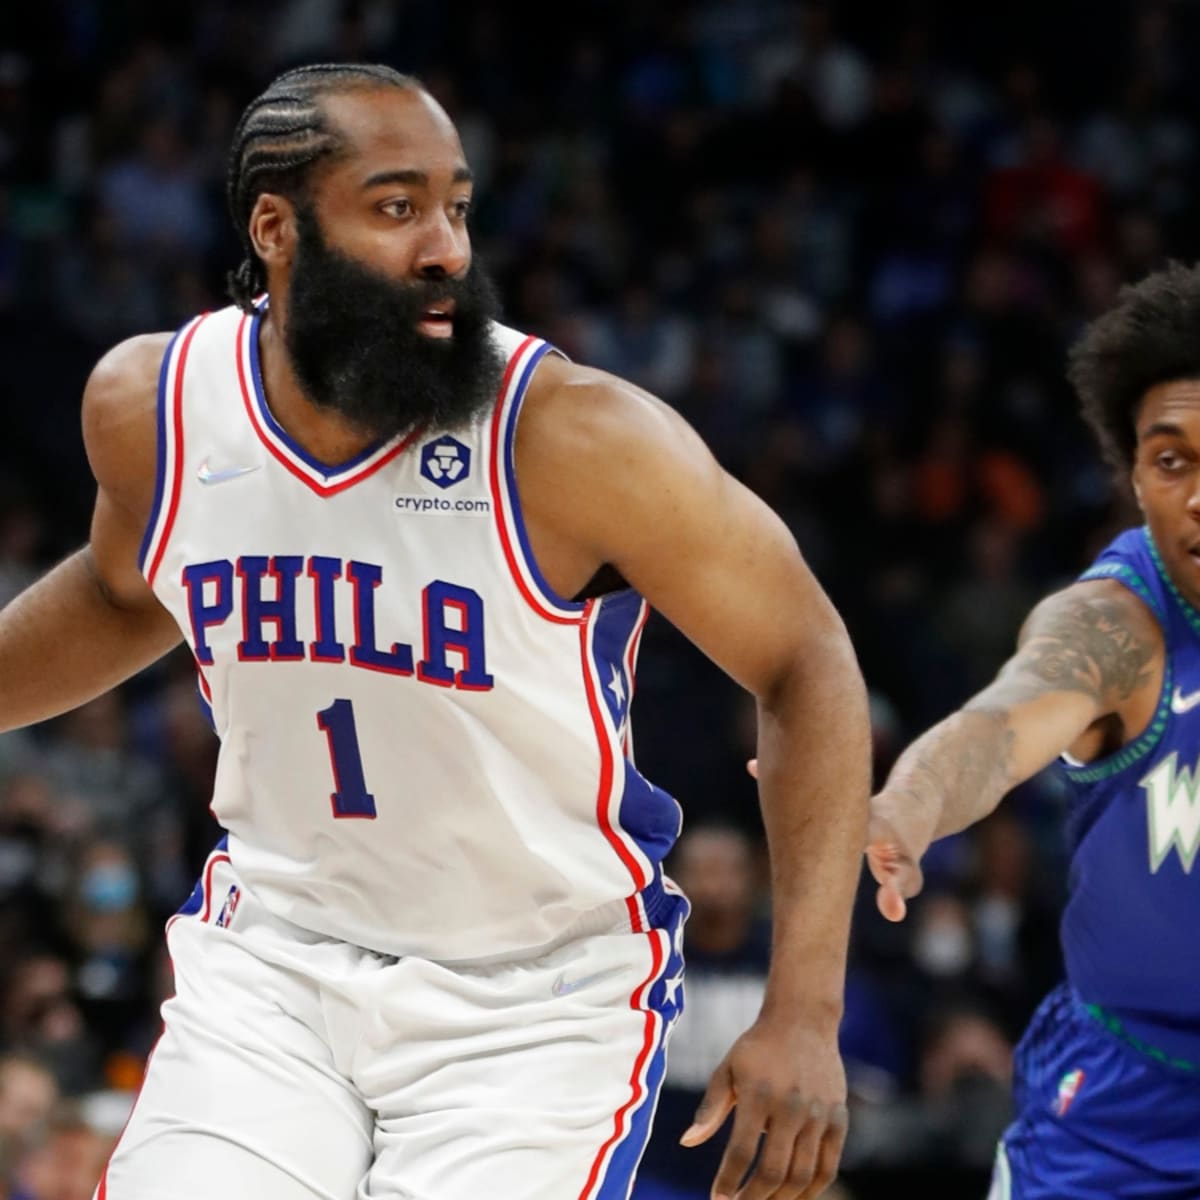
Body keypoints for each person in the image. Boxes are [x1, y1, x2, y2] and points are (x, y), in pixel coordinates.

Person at [0, 64, 871, 1199]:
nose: (446, 249)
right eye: (397, 206)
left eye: (457, 206)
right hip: (276, 959)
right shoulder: (156, 405)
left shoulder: (572, 437)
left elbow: (807, 657)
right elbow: (125, 596)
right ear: (276, 229)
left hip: (535, 996)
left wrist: (804, 1011)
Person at [866, 261, 1200, 1197]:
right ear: (1134, 480)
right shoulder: (1116, 624)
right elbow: (1002, 721)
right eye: (1171, 460)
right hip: (1121, 1114)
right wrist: (912, 802)